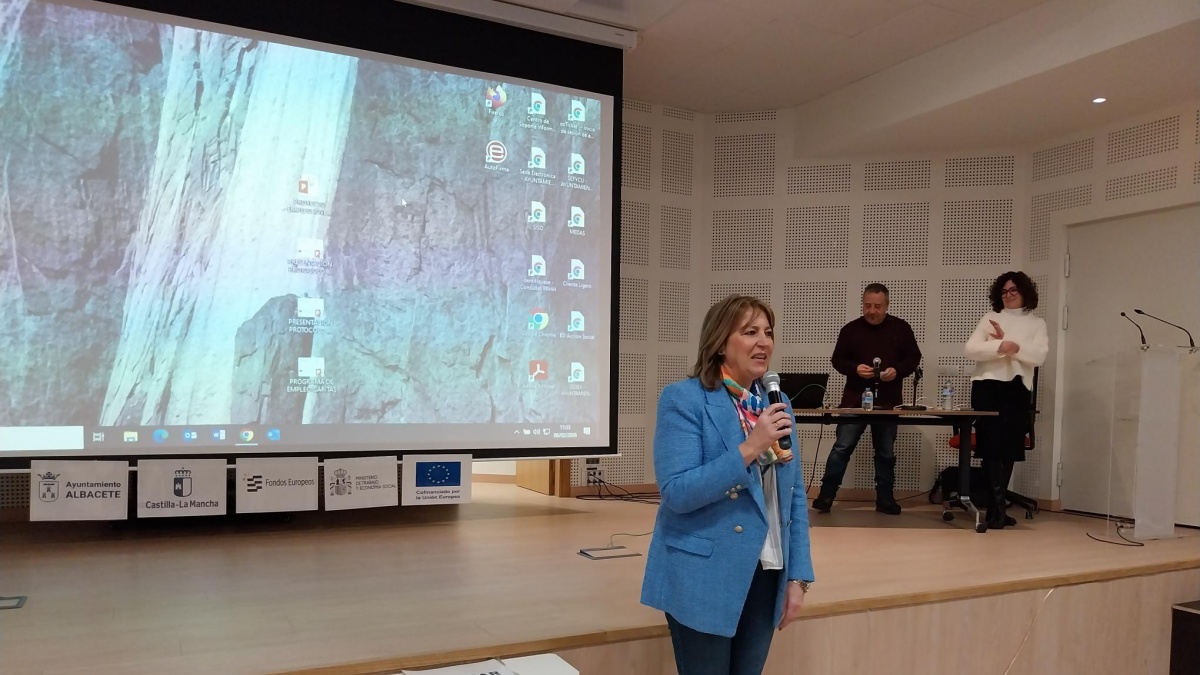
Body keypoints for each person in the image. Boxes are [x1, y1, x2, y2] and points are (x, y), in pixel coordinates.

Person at [641, 295, 815, 675]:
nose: (763, 342)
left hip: (767, 570)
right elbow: (677, 492)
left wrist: (799, 577)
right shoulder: (684, 399)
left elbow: (794, 497)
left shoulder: (777, 403)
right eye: (750, 332)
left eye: (768, 332)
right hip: (704, 573)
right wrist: (751, 447)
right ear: (720, 342)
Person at [813, 283, 921, 515]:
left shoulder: (901, 328)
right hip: (854, 400)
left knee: (885, 452)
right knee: (841, 448)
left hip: (888, 401)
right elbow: (837, 360)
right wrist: (854, 369)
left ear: (887, 305)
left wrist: (897, 371)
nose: (872, 311)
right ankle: (825, 497)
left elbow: (914, 357)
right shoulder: (850, 329)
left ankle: (885, 500)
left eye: (877, 306)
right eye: (867, 305)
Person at [964, 272, 1048, 529]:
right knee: (991, 447)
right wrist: (1000, 346)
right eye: (1004, 291)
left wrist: (1014, 346)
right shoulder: (991, 318)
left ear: (1025, 292)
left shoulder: (1037, 324)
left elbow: (1039, 357)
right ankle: (997, 510)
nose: (1008, 295)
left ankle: (996, 508)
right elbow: (971, 349)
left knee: (1009, 447)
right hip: (987, 386)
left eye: (1014, 290)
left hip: (1017, 388)